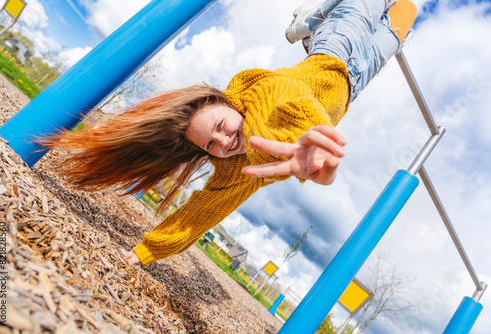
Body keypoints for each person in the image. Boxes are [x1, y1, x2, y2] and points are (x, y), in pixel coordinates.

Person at [43, 0, 417, 266]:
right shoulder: (233, 174)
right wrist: (147, 250)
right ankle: (316, 18)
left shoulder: (262, 93)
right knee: (407, 12)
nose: (224, 141)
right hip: (357, 78)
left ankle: (313, 19)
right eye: (211, 144)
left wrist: (309, 132)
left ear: (232, 105)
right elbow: (198, 214)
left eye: (222, 126)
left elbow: (294, 102)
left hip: (337, 47)